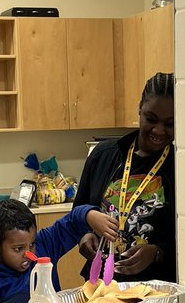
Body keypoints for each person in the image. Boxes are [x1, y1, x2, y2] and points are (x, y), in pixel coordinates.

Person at [73, 72, 176, 284]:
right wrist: (84, 236)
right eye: (151, 119)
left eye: (169, 124)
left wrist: (157, 252)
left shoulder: (181, 166)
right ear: (140, 110)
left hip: (155, 287)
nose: (158, 130)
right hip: (100, 281)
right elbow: (78, 213)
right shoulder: (103, 155)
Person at [0, 197, 117, 303]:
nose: (29, 254)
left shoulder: (44, 245)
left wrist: (89, 215)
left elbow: (72, 222)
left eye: (32, 244)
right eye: (18, 249)